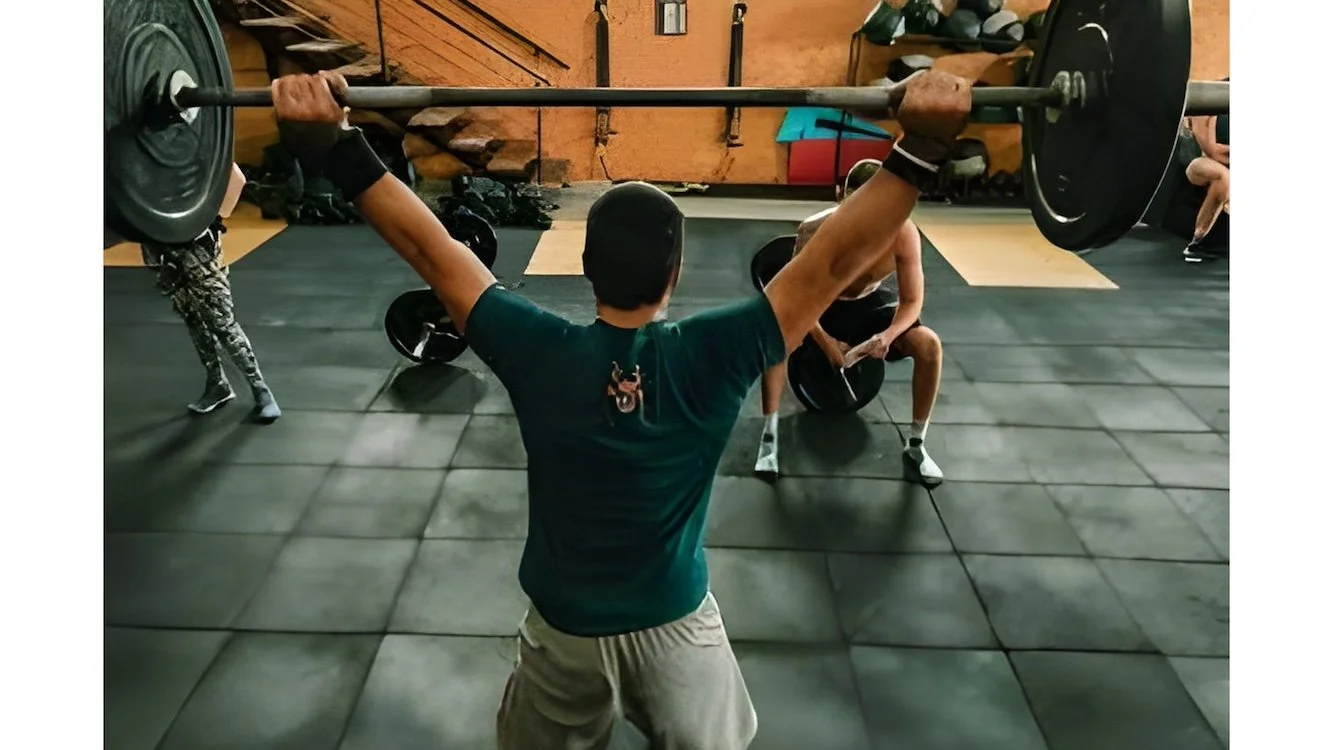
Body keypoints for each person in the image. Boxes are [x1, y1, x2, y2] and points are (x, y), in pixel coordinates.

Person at [269, 68, 971, 749]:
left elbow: (432, 249)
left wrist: (334, 144)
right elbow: (827, 267)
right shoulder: (718, 351)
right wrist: (919, 150)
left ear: (584, 267)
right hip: (674, 625)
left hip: (563, 629)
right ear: (675, 274)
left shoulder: (533, 348)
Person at [754, 158, 944, 486]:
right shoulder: (814, 229)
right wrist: (826, 343)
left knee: (929, 345)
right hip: (820, 304)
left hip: (869, 306)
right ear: (842, 196)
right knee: (777, 342)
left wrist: (888, 335)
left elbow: (912, 301)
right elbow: (798, 296)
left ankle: (916, 444)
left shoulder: (902, 232)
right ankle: (769, 441)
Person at [140, 163, 281, 422]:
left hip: (198, 247)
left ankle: (261, 390)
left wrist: (213, 218)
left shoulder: (189, 142)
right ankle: (217, 384)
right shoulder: (140, 149)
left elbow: (235, 177)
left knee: (222, 321)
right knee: (193, 317)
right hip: (162, 247)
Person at [1180, 81, 1230, 263]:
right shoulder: (1206, 105)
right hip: (1199, 163)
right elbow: (1212, 151)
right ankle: (1198, 241)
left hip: (1225, 161)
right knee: (1223, 176)